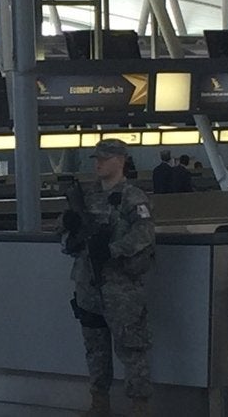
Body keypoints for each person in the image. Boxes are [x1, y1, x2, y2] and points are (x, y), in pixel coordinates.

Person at [59, 139, 155, 417]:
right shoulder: (85, 197)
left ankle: (140, 406)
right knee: (95, 349)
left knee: (132, 349)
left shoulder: (133, 197)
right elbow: (64, 239)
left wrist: (112, 250)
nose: (98, 163)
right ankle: (99, 403)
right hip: (89, 284)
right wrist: (71, 232)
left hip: (121, 286)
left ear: (121, 160)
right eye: (96, 158)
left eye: (104, 158)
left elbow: (144, 235)